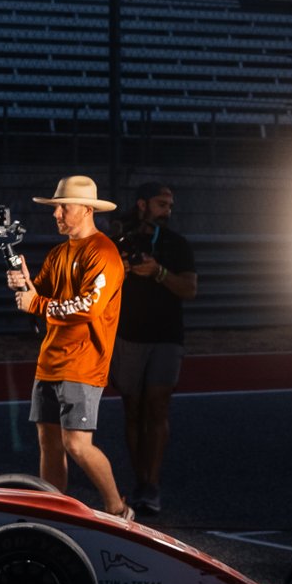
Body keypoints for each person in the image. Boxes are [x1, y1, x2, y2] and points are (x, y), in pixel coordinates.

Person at [6, 175, 133, 519]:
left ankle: (117, 507)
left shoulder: (104, 253)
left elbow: (87, 307)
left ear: (87, 209)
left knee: (76, 443)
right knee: (49, 443)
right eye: (56, 207)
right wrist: (24, 280)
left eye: (63, 207)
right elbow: (40, 292)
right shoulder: (59, 252)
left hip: (83, 363)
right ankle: (54, 510)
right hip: (50, 360)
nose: (56, 213)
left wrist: (35, 303)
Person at [111, 181, 197, 518]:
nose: (168, 210)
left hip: (167, 337)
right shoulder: (120, 241)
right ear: (142, 204)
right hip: (128, 336)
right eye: (162, 204)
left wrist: (158, 272)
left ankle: (152, 485)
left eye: (171, 205)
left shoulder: (177, 244)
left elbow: (190, 289)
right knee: (133, 409)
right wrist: (121, 267)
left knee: (158, 408)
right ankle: (139, 479)